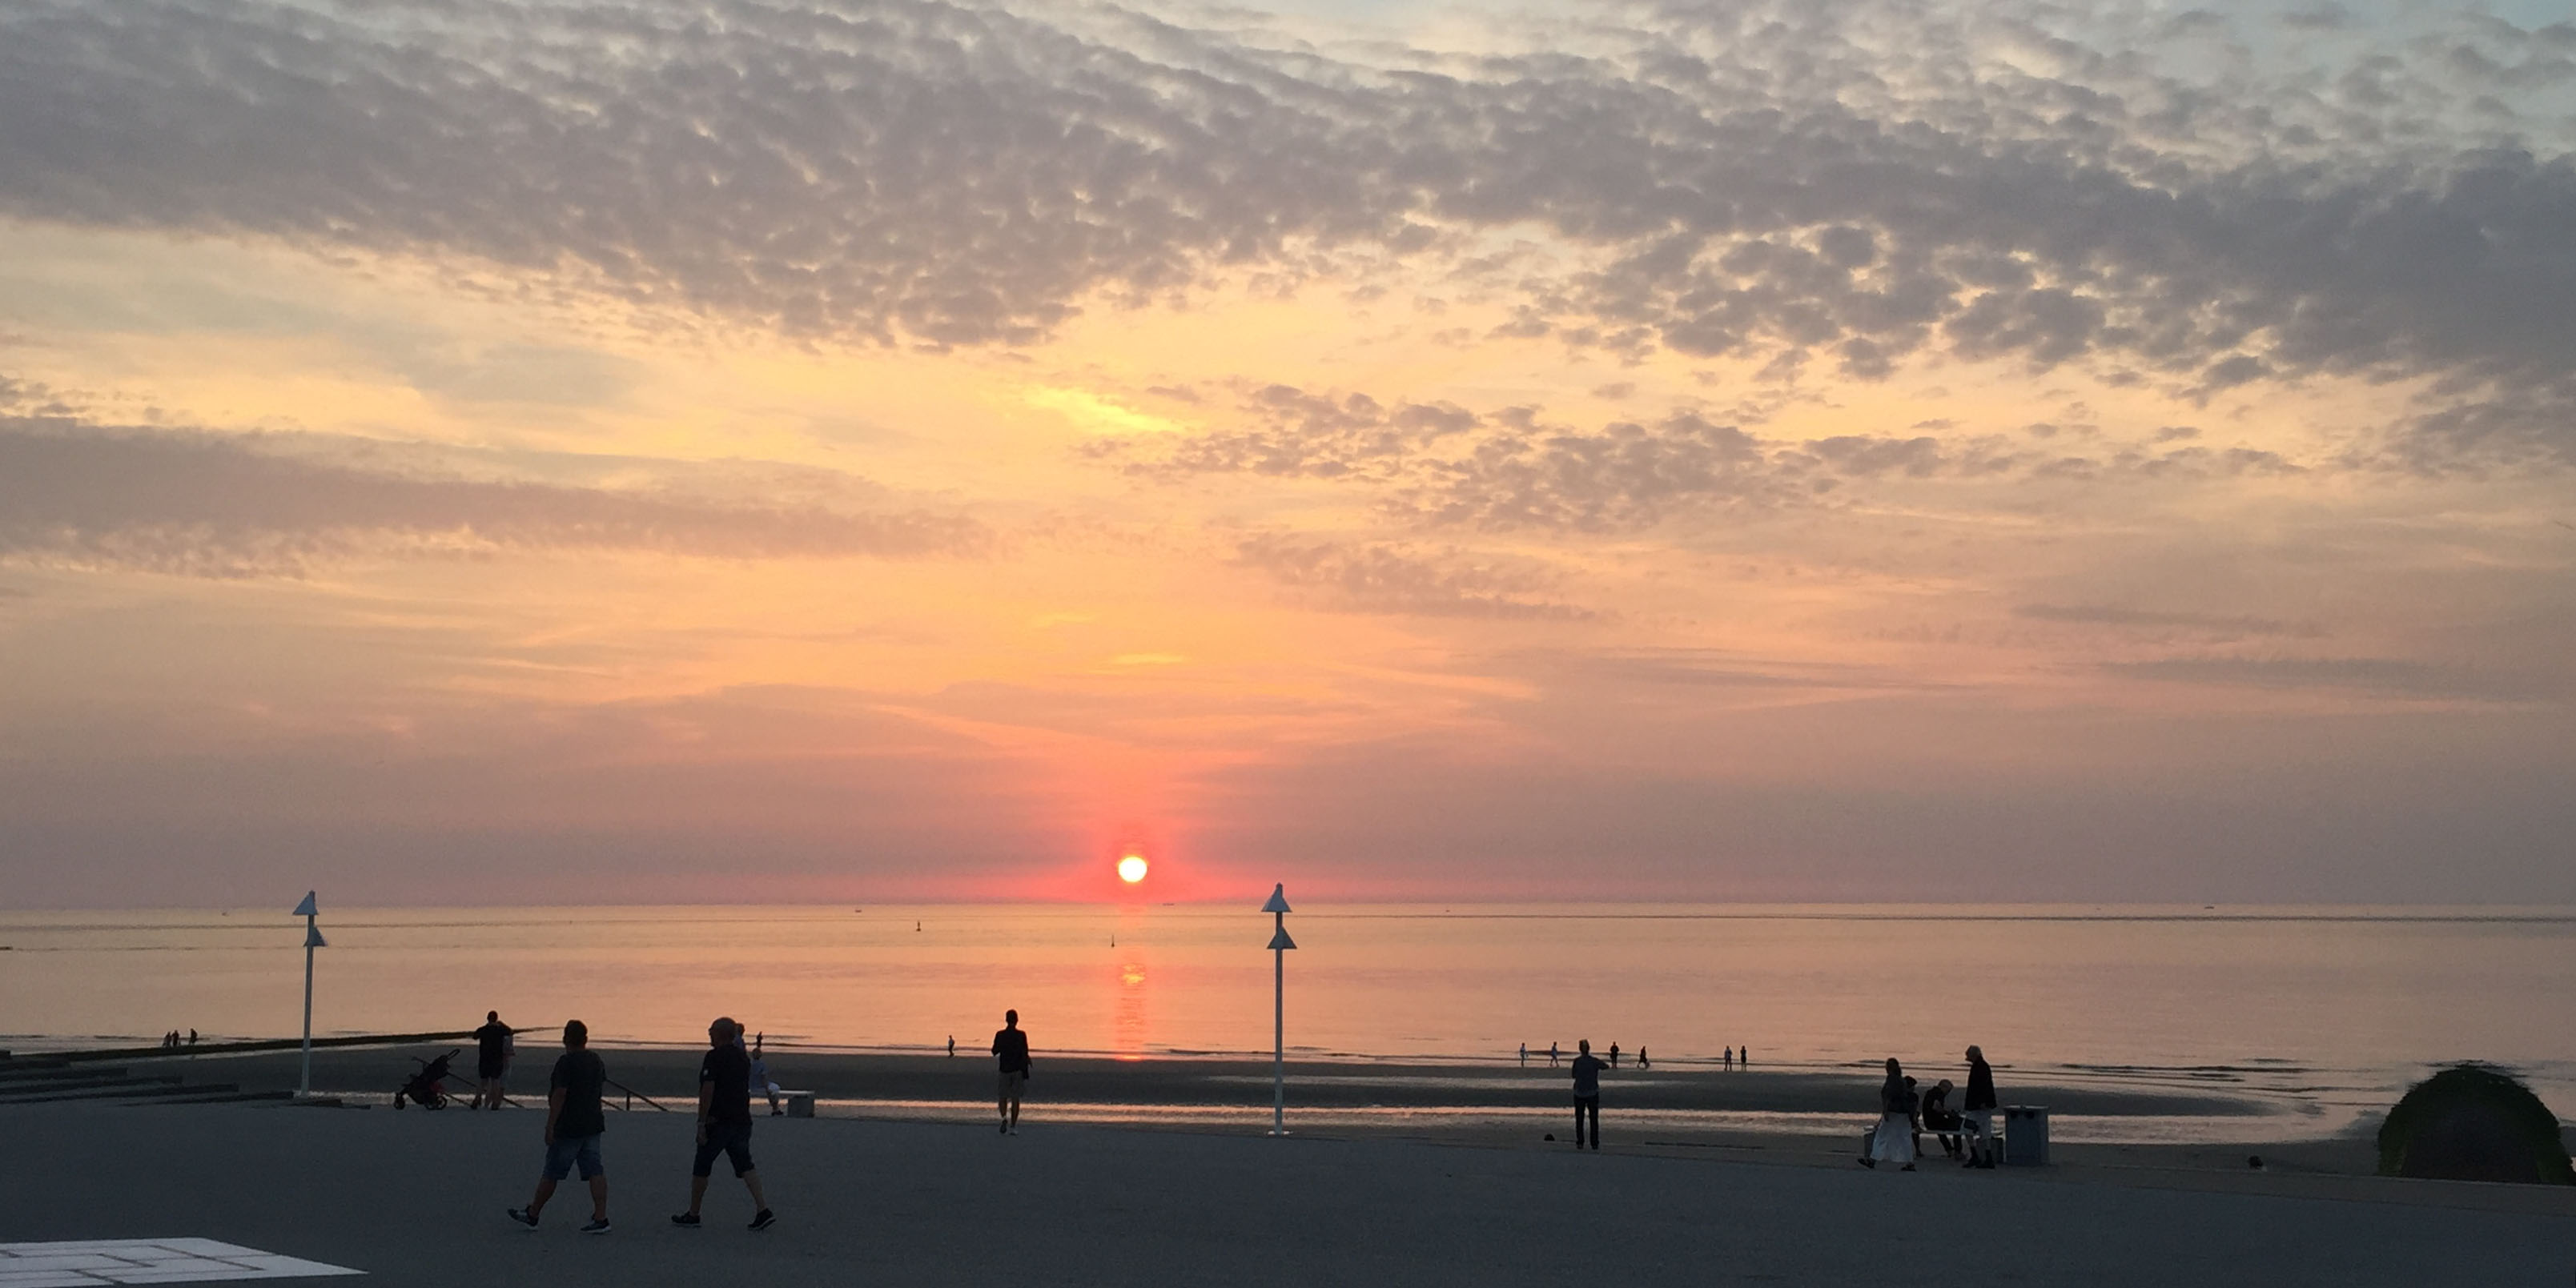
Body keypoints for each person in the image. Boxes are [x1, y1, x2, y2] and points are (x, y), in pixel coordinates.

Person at [508, 1020, 611, 1234]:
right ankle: (601, 1216)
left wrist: (550, 1125)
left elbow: (560, 1093)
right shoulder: (595, 1060)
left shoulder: (566, 1062)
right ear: (585, 1039)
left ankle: (533, 1213)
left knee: (553, 1172)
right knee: (595, 1170)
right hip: (592, 1122)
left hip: (570, 1125)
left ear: (565, 1039)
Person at [673, 1017, 774, 1230]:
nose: (709, 1034)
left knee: (702, 1165)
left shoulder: (714, 1057)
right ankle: (762, 1208)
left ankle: (694, 1213)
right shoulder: (742, 1058)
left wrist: (701, 1123)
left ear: (721, 1034)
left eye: (711, 1031)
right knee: (745, 1164)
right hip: (741, 1120)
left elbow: (707, 1090)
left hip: (718, 1121)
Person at [1859, 1057, 1916, 1170]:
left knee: (1881, 1135)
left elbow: (1888, 1097)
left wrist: (1885, 1111)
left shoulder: (1892, 1079)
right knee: (1904, 1137)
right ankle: (1910, 1163)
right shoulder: (1901, 1080)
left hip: (1893, 1111)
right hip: (1904, 1112)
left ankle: (1872, 1160)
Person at [993, 1009, 1031, 1134]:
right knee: (1015, 1099)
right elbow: (1024, 1053)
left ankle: (1004, 1118)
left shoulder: (1000, 1035)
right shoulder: (1021, 1035)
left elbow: (994, 1051)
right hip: (1017, 1070)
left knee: (1002, 1096)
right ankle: (1013, 1127)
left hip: (1004, 1069)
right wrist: (1026, 1071)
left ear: (1006, 1020)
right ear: (1017, 1020)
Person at [1962, 1045, 1999, 1168]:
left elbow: (1984, 1086)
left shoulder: (1980, 1067)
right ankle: (1986, 1157)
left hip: (1977, 1106)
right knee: (1984, 1130)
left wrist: (1983, 1101)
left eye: (1968, 1055)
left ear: (1974, 1055)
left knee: (1969, 1130)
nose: (1967, 1058)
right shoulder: (1981, 1066)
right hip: (1980, 1105)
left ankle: (1976, 1156)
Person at [1568, 1039, 1607, 1150]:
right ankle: (1594, 1143)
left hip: (1579, 1092)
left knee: (1579, 1119)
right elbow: (1605, 1066)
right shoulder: (1594, 1061)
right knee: (1593, 1119)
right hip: (1592, 1092)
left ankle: (1580, 1142)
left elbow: (1573, 1075)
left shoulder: (1577, 1061)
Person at [473, 1011, 514, 1111]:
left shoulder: (483, 1030)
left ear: (487, 1019)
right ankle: (495, 1103)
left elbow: (475, 1036)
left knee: (483, 1081)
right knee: (495, 1081)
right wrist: (502, 1024)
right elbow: (510, 1031)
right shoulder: (500, 1030)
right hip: (496, 1059)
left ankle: (477, 1098)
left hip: (484, 1058)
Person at [1921, 1078, 1963, 1160]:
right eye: (1948, 1091)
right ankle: (1958, 1152)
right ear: (1943, 1087)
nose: (1948, 1093)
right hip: (1935, 1122)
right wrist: (1948, 1113)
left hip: (1928, 1122)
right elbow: (1936, 1107)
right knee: (1958, 1126)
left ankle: (1949, 1150)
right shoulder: (1939, 1093)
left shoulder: (1930, 1092)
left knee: (1944, 1129)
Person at [749, 1035, 782, 1117]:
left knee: (774, 1088)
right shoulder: (762, 1065)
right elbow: (763, 1077)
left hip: (750, 1085)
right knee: (776, 1088)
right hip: (760, 1086)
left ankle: (775, 1107)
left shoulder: (749, 1064)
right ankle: (775, 1108)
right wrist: (766, 1088)